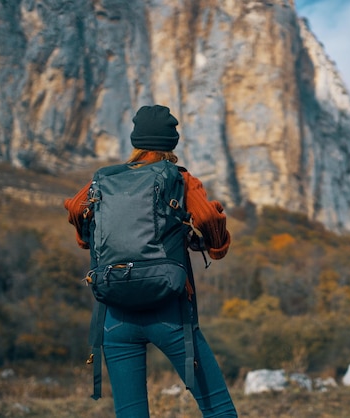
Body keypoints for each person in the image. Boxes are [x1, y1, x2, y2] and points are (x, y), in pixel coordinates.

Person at [64, 105, 238, 417]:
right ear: (171, 143)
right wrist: (216, 246)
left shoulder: (104, 180)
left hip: (116, 316)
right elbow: (209, 215)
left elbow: (76, 207)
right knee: (218, 410)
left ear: (136, 141)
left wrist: (86, 238)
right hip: (169, 315)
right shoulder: (180, 179)